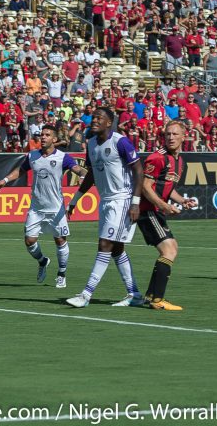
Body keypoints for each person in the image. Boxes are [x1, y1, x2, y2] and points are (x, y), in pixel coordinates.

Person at [65, 108, 145, 308]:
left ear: (109, 122)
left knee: (105, 244)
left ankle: (86, 294)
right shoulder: (91, 143)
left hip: (123, 199)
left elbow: (138, 170)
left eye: (99, 118)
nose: (94, 120)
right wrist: (75, 200)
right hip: (106, 200)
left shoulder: (121, 142)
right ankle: (134, 293)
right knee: (116, 248)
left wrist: (135, 202)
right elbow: (91, 174)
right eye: (93, 117)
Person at [0, 125, 86, 288]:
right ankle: (43, 261)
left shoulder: (63, 157)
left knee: (60, 240)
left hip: (56, 208)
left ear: (54, 139)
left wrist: (84, 175)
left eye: (47, 135)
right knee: (29, 241)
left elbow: (78, 169)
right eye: (42, 134)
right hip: (36, 207)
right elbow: (21, 170)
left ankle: (61, 273)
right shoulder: (33, 156)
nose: (43, 137)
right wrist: (5, 181)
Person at [138, 121, 197, 311]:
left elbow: (168, 188)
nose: (171, 137)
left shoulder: (179, 161)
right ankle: (157, 300)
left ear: (184, 136)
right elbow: (145, 187)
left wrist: (182, 201)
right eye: (168, 134)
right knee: (169, 250)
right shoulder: (157, 158)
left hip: (155, 210)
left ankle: (150, 295)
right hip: (147, 210)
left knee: (172, 248)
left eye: (175, 134)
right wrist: (164, 206)